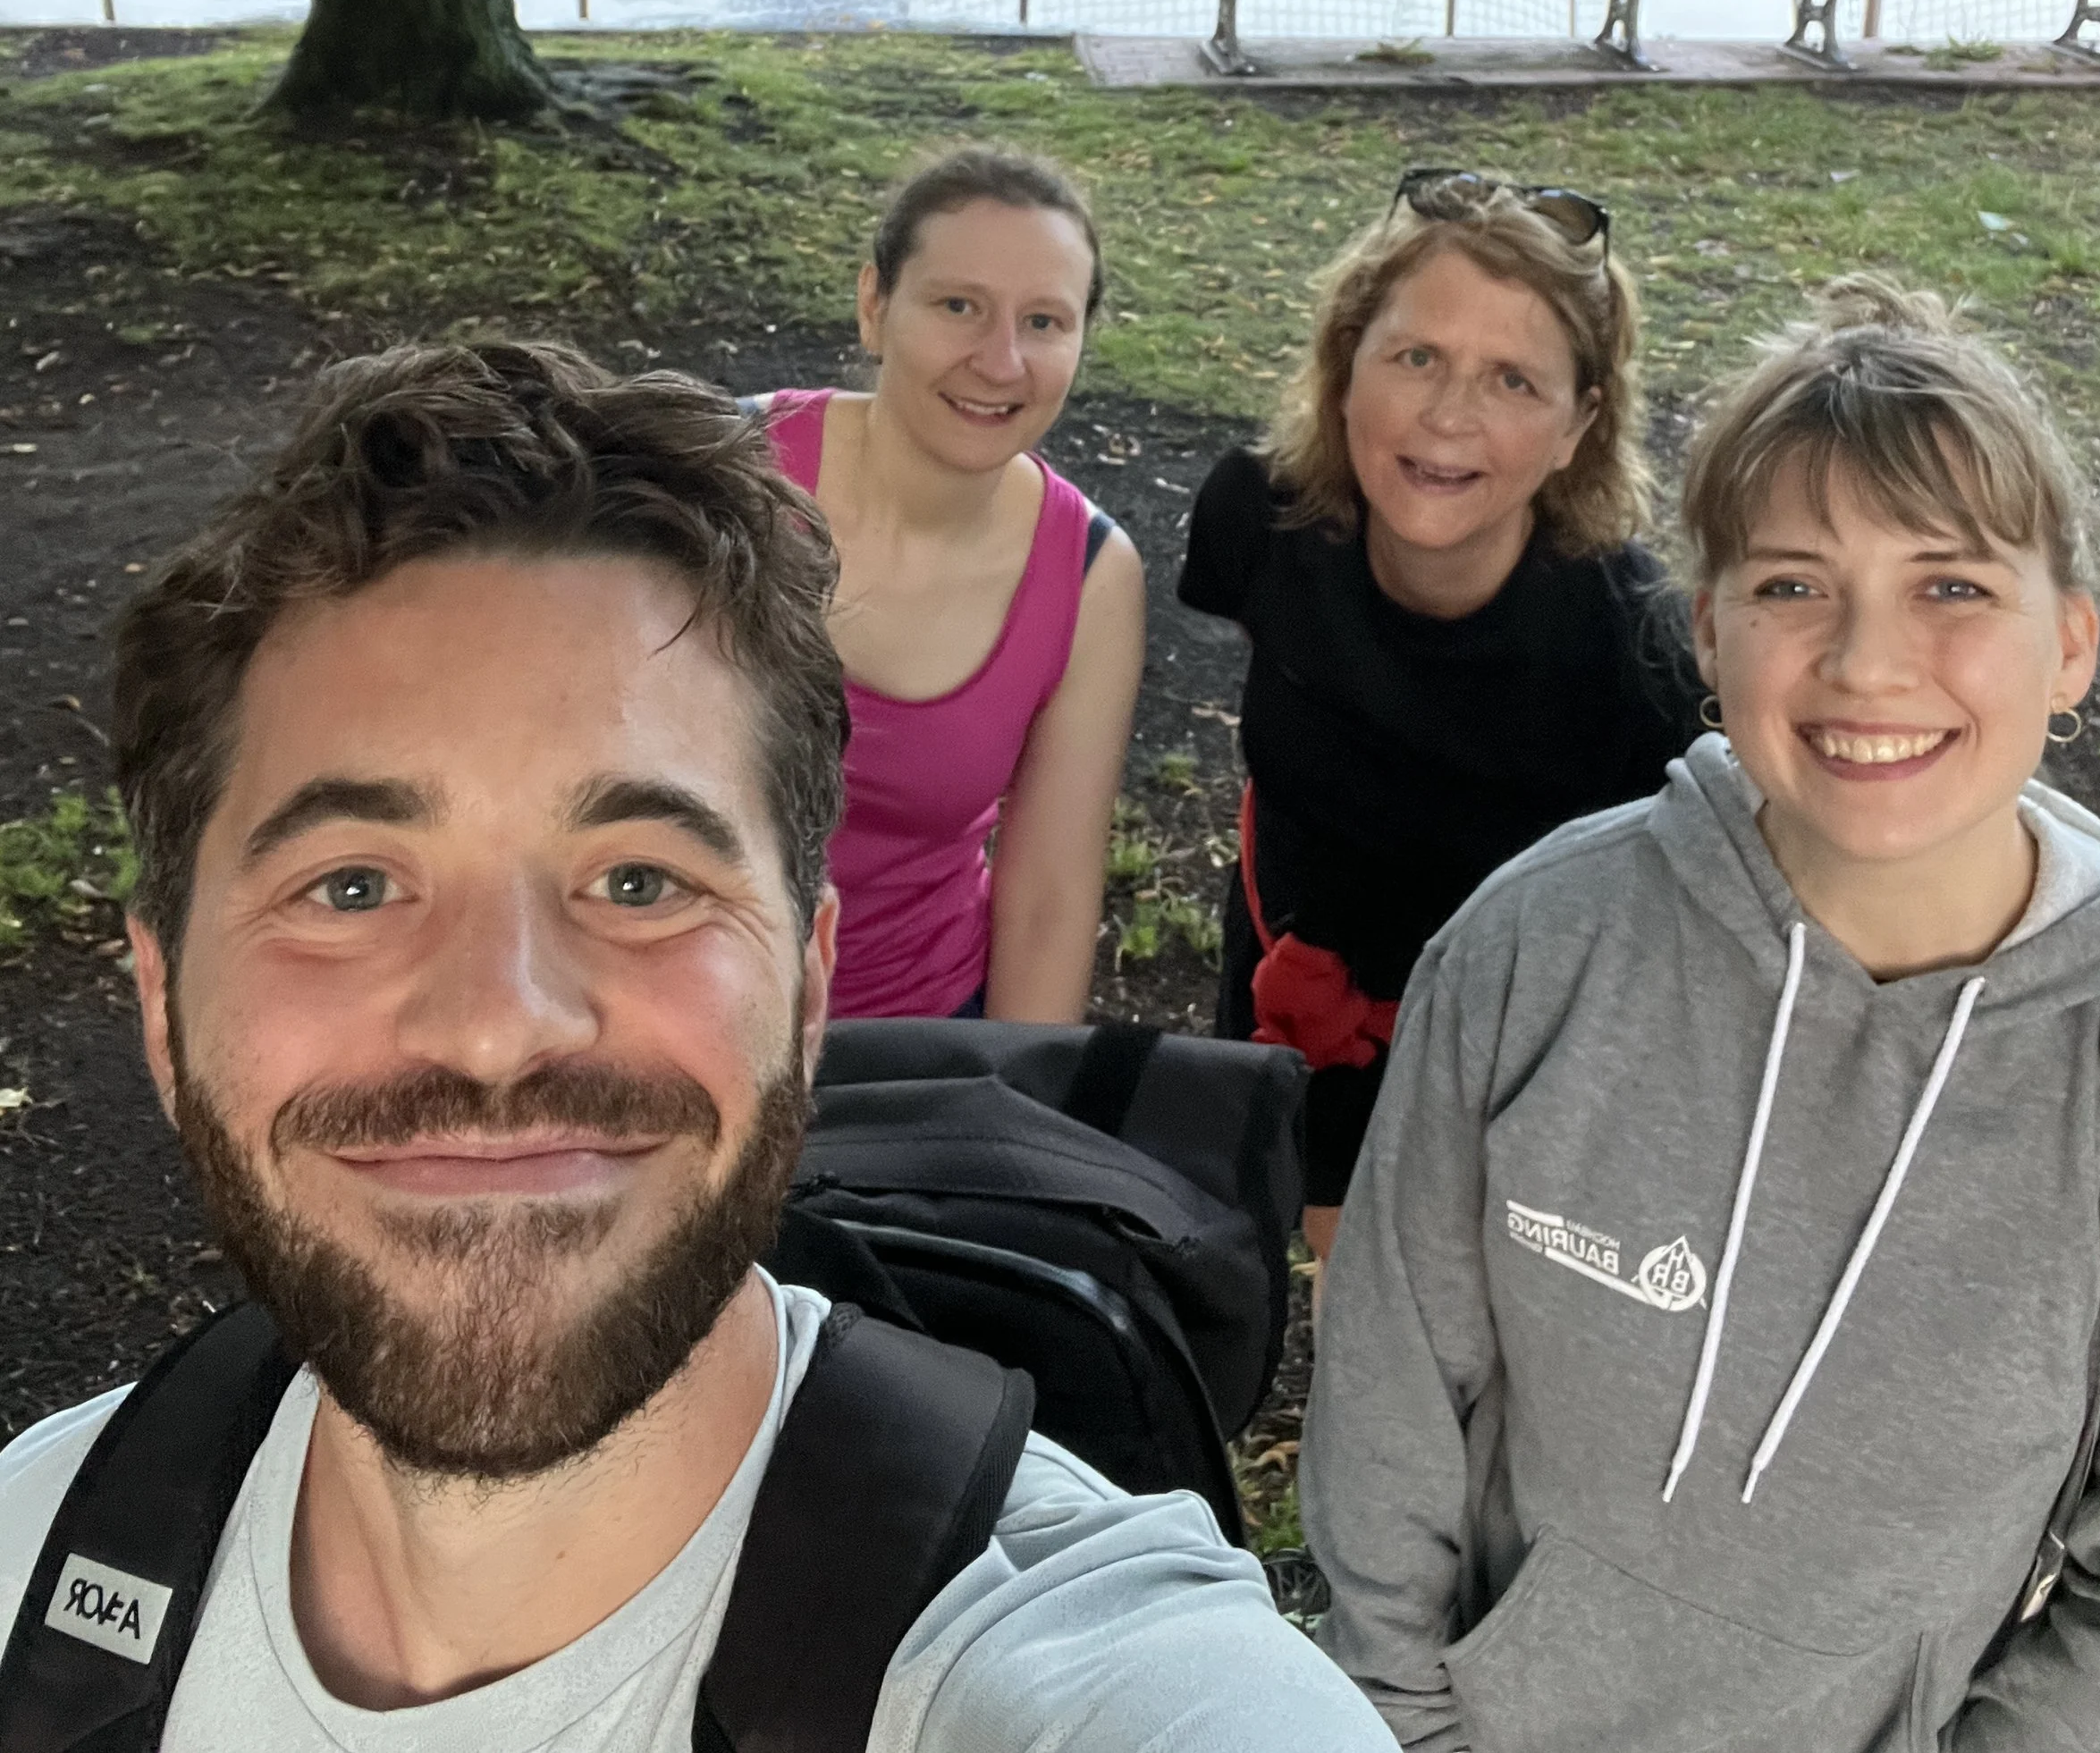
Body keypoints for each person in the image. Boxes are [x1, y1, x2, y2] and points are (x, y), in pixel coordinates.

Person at [0, 341, 1386, 1753]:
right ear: (165, 1005)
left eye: (641, 880)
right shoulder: (27, 1562)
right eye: (351, 887)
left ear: (805, 985)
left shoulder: (1067, 1678)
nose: (499, 1023)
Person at [1302, 280, 2100, 1753]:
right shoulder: (1533, 944)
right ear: (1708, 630)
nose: (1867, 662)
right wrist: (1405, 1729)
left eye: (1952, 584)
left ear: (2070, 643)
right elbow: (1389, 1420)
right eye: (1795, 584)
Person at [1179, 167, 1695, 1254]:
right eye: (1417, 357)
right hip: (1293, 996)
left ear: (1576, 426)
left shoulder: (1639, 653)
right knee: (1328, 1273)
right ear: (1344, 367)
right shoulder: (1253, 524)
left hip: (1520, 1056)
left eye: (1514, 380)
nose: (1450, 415)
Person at [756, 147, 1144, 1024]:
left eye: (1044, 322)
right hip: (668, 1027)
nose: (1000, 361)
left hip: (913, 1049)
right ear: (874, 305)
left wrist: (1009, 1121)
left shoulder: (1088, 577)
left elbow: (1046, 900)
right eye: (958, 306)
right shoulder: (731, 475)